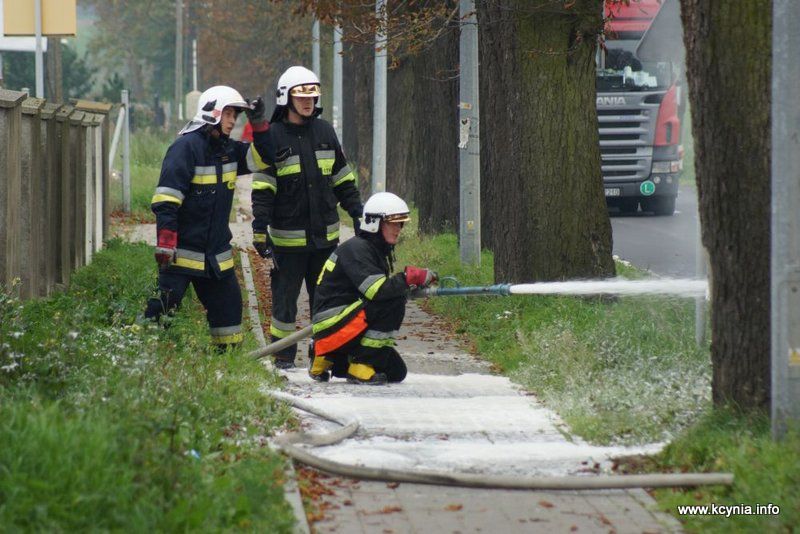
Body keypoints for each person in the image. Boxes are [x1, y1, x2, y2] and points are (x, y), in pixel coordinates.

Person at [251, 66, 363, 369]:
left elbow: (342, 179)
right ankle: (283, 357)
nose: (308, 102)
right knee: (284, 305)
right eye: (301, 97)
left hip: (325, 240)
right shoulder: (273, 137)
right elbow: (263, 188)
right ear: (286, 98)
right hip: (287, 244)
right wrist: (259, 229)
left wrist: (357, 212)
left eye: (312, 96)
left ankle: (324, 356)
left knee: (326, 303)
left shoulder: (325, 131)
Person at [145, 85, 270, 350]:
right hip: (181, 253)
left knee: (229, 315)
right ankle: (145, 353)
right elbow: (166, 199)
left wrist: (258, 124)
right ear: (212, 113)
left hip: (216, 258)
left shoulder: (229, 150)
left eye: (235, 115)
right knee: (161, 310)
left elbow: (264, 158)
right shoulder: (185, 148)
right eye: (228, 114)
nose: (232, 121)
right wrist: (166, 242)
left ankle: (226, 362)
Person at [308, 192, 438, 385]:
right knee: (393, 301)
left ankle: (328, 358)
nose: (398, 229)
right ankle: (360, 365)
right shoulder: (358, 249)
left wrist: (410, 284)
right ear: (374, 223)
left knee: (396, 372)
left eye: (401, 224)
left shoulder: (372, 248)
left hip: (341, 322)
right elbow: (377, 291)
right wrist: (407, 278)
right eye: (393, 223)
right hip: (333, 326)